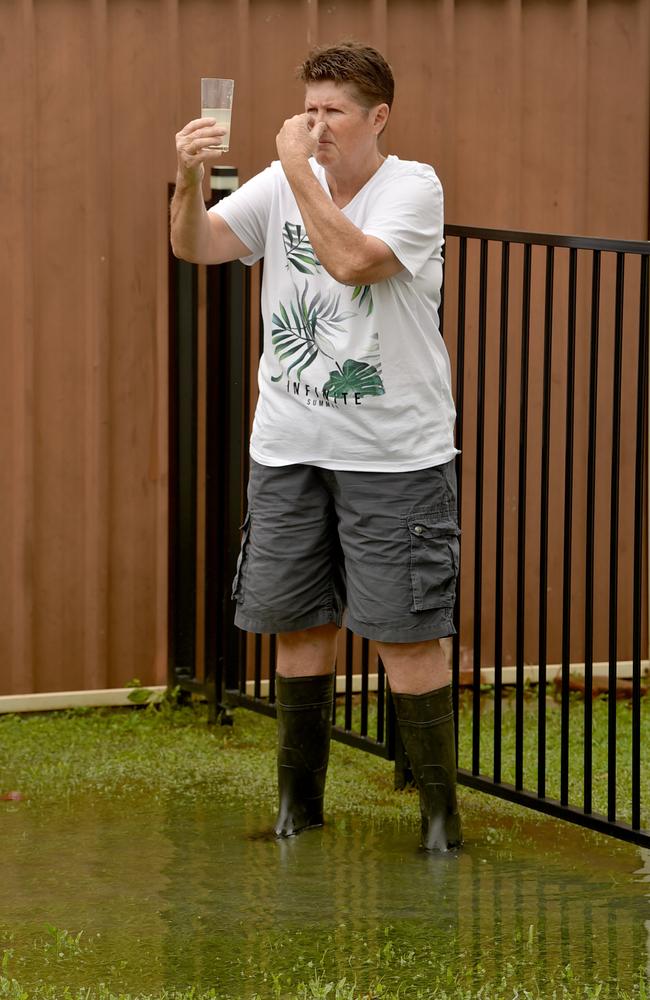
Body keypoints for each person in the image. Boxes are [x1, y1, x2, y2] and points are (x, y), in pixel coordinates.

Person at [171, 41, 463, 852]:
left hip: (395, 453)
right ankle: (298, 808)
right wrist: (193, 180)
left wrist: (298, 170)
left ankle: (440, 822)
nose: (315, 123)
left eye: (334, 110)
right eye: (310, 107)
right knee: (299, 626)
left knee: (406, 633)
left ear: (379, 118)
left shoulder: (413, 186)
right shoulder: (279, 181)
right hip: (290, 447)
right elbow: (197, 247)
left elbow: (352, 263)